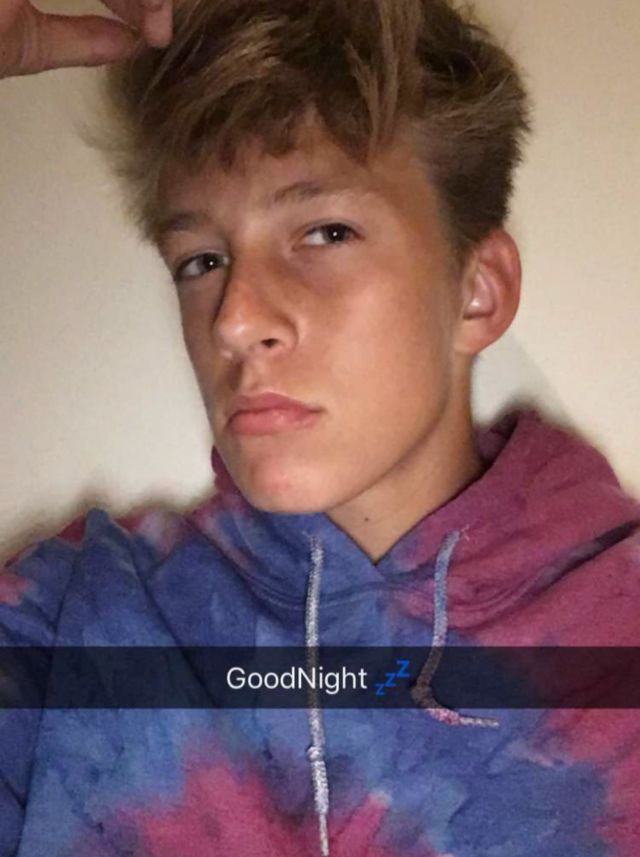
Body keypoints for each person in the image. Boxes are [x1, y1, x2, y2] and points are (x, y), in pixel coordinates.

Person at [1, 1, 639, 855]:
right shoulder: (75, 626)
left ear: (477, 291)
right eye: (202, 260)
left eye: (325, 232)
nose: (234, 319)